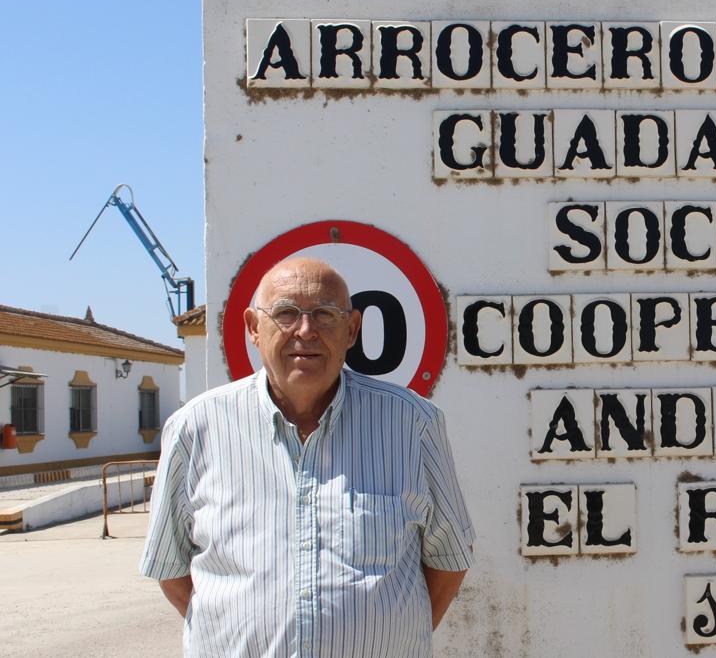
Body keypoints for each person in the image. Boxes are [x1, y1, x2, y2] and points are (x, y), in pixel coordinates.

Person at [140, 257, 473, 657]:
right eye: (285, 313)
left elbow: (449, 559)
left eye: (325, 315)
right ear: (252, 328)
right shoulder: (194, 429)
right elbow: (172, 570)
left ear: (352, 329)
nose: (306, 331)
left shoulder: (413, 424)